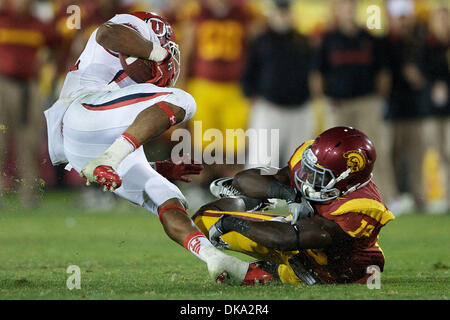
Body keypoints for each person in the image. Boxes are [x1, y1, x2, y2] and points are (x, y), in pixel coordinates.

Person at [44, 11, 270, 285]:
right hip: (85, 107)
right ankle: (111, 159)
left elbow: (117, 124)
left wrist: (158, 168)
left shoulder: (127, 83)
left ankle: (219, 261)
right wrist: (157, 52)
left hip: (84, 141)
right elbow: (107, 33)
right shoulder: (131, 27)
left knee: (168, 196)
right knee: (184, 100)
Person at [195, 126, 395, 284]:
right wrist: (287, 194)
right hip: (296, 236)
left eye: (318, 175)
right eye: (309, 167)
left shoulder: (360, 207)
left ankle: (271, 272)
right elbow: (243, 180)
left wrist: (233, 223)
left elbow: (286, 238)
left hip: (331, 268)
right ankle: (262, 262)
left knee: (226, 227)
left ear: (346, 180)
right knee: (204, 219)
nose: (306, 175)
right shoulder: (312, 156)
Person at [309, 0, 404, 213]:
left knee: (375, 150)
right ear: (336, 10)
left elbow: (383, 72)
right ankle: (332, 200)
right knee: (334, 155)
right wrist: (323, 98)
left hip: (366, 101)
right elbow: (317, 73)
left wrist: (379, 98)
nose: (348, 10)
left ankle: (386, 197)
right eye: (343, 6)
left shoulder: (369, 38)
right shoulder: (328, 39)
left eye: (351, 6)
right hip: (338, 102)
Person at [242, 0, 315, 167]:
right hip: (269, 108)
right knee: (261, 163)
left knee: (300, 163)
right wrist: (250, 96)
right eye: (279, 12)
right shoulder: (261, 40)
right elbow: (249, 71)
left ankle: (297, 193)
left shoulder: (304, 41)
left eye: (286, 12)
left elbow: (313, 73)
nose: (283, 17)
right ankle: (256, 194)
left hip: (300, 109)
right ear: (272, 15)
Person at [0, 0, 59, 207]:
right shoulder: (3, 18)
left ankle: (29, 196)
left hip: (29, 86)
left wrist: (47, 67)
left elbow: (56, 44)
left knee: (30, 143)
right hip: (2, 83)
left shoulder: (37, 23)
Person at [384, 0, 429, 211]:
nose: (403, 22)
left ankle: (419, 197)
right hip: (391, 109)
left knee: (415, 156)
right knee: (390, 155)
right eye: (399, 17)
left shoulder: (420, 42)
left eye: (405, 17)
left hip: (415, 108)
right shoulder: (386, 43)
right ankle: (393, 197)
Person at [418, 4, 449, 213]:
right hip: (430, 110)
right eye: (439, 19)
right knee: (435, 154)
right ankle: (437, 196)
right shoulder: (426, 46)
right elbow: (420, 73)